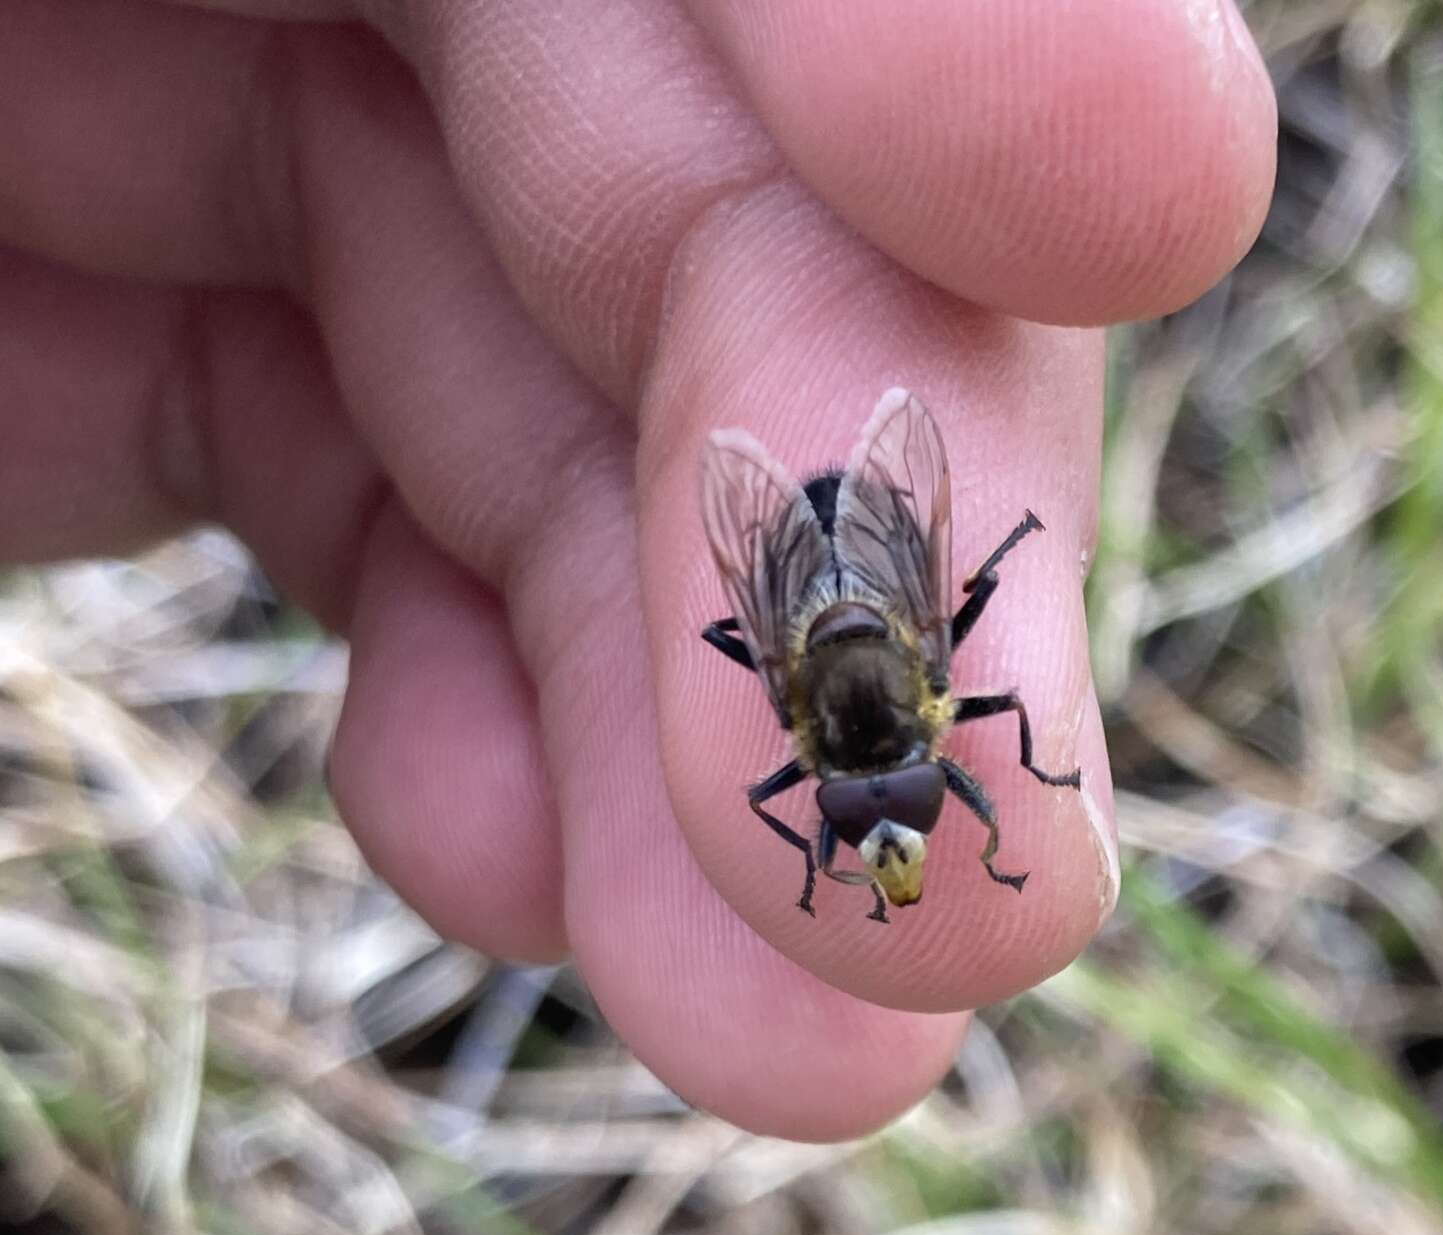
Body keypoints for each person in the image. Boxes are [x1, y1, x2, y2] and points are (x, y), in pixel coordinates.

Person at [0, 0, 1277, 1139]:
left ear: (829, 769)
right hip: (849, 563)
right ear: (900, 739)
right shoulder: (900, 717)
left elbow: (775, 591)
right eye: (898, 818)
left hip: (837, 576)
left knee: (794, 636)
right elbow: (862, 572)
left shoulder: (856, 733)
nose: (885, 836)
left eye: (854, 828)